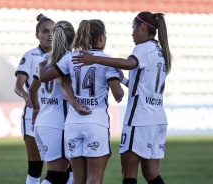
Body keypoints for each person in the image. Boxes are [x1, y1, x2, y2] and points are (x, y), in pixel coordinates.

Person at [72, 12, 172, 184]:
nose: (132, 34)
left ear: (142, 27)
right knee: (151, 173)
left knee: (129, 174)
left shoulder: (143, 48)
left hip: (139, 120)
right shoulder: (161, 52)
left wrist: (95, 59)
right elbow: (142, 85)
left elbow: (128, 63)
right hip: (158, 119)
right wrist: (123, 79)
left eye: (133, 28)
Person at [38, 19, 124, 184]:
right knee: (95, 179)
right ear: (101, 38)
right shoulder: (106, 61)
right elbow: (118, 94)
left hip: (72, 123)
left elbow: (54, 80)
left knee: (77, 180)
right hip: (95, 123)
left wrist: (76, 104)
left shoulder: (71, 58)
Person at [29, 20, 87, 184]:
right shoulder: (70, 60)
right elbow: (65, 85)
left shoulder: (45, 60)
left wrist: (35, 109)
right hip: (59, 124)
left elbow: (32, 90)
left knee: (64, 174)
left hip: (42, 122)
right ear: (73, 39)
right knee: (56, 175)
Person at [14, 13, 55, 184]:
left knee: (62, 168)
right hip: (33, 116)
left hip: (55, 116)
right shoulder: (30, 56)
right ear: (37, 35)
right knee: (36, 167)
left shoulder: (62, 56)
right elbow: (18, 85)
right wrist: (25, 95)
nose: (50, 35)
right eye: (44, 31)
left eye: (53, 31)